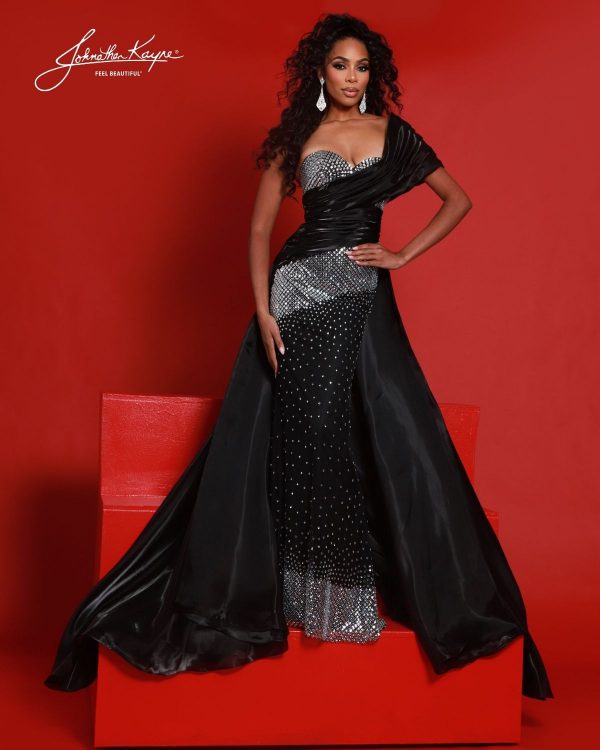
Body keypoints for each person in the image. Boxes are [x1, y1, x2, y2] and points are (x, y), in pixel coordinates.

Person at [43, 13, 554, 701]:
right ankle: (292, 590)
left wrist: (402, 254)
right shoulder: (297, 139)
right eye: (340, 65)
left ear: (374, 75)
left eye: (362, 67)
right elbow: (259, 230)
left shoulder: (394, 135)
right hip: (296, 294)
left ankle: (339, 594)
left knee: (336, 431)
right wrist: (262, 309)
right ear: (320, 71)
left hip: (358, 295)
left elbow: (457, 200)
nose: (352, 77)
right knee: (304, 429)